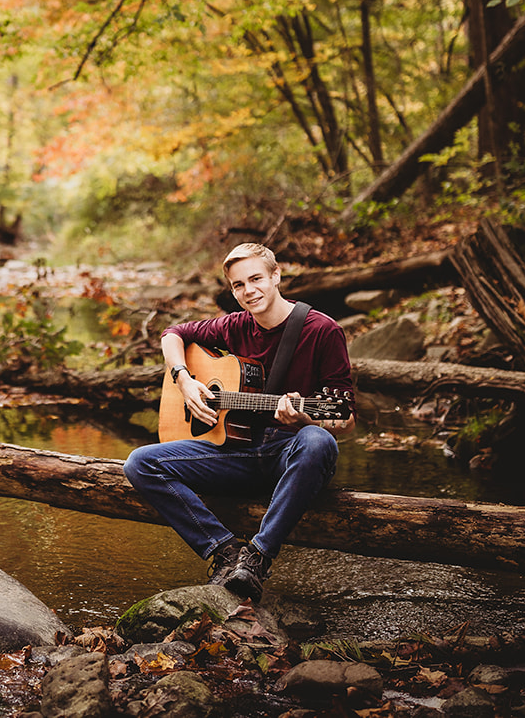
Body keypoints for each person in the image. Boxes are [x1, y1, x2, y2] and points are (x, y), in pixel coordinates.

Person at [123, 243, 355, 602]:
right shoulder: (234, 326)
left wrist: (307, 416)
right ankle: (225, 552)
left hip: (289, 455)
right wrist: (185, 381)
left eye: (257, 279)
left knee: (318, 441)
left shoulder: (321, 330)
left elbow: (347, 418)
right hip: (235, 453)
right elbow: (173, 333)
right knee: (140, 463)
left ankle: (258, 557)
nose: (249, 291)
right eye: (239, 285)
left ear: (276, 276)